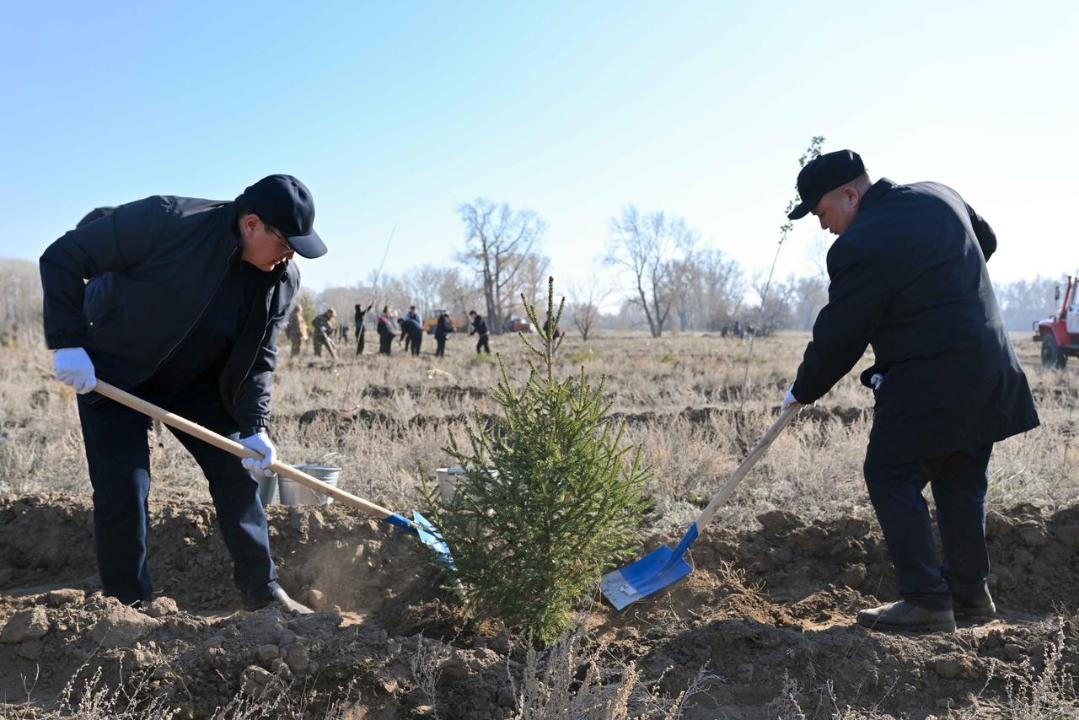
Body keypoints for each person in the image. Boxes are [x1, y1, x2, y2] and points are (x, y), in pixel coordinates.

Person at [40, 173, 328, 613]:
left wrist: (254, 427)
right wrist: (68, 341)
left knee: (236, 474)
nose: (290, 254)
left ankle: (263, 592)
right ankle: (129, 606)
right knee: (124, 485)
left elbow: (259, 359)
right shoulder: (167, 221)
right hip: (114, 370)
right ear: (251, 225)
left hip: (196, 383)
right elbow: (62, 257)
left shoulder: (281, 280)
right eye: (285, 241)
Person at [782, 150, 1039, 633]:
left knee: (890, 473)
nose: (823, 228)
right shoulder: (940, 194)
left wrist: (804, 389)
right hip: (987, 366)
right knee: (960, 477)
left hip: (930, 377)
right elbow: (987, 241)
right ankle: (969, 598)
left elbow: (842, 332)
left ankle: (925, 601)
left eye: (821, 214)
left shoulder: (859, 246)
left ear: (849, 195)